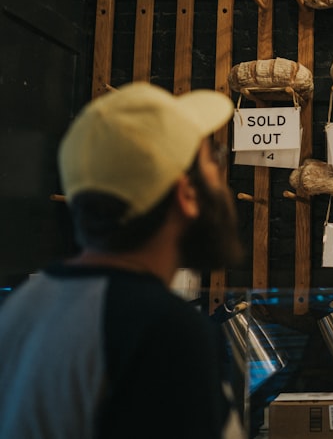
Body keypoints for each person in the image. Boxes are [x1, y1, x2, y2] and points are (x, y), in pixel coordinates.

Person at [0, 82, 244, 439]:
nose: (220, 180)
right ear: (186, 194)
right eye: (214, 158)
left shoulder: (20, 308)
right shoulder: (162, 330)